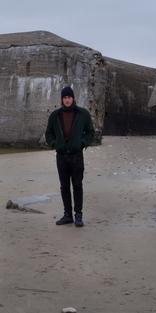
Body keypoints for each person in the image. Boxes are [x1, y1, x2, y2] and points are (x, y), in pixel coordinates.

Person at [45, 86, 95, 227]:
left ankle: (78, 215)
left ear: (73, 98)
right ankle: (67, 215)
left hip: (76, 156)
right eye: (65, 97)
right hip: (61, 157)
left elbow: (90, 132)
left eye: (69, 97)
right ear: (62, 99)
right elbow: (48, 133)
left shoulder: (82, 114)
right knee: (64, 186)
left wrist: (82, 143)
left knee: (77, 185)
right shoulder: (55, 115)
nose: (67, 100)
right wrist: (55, 144)